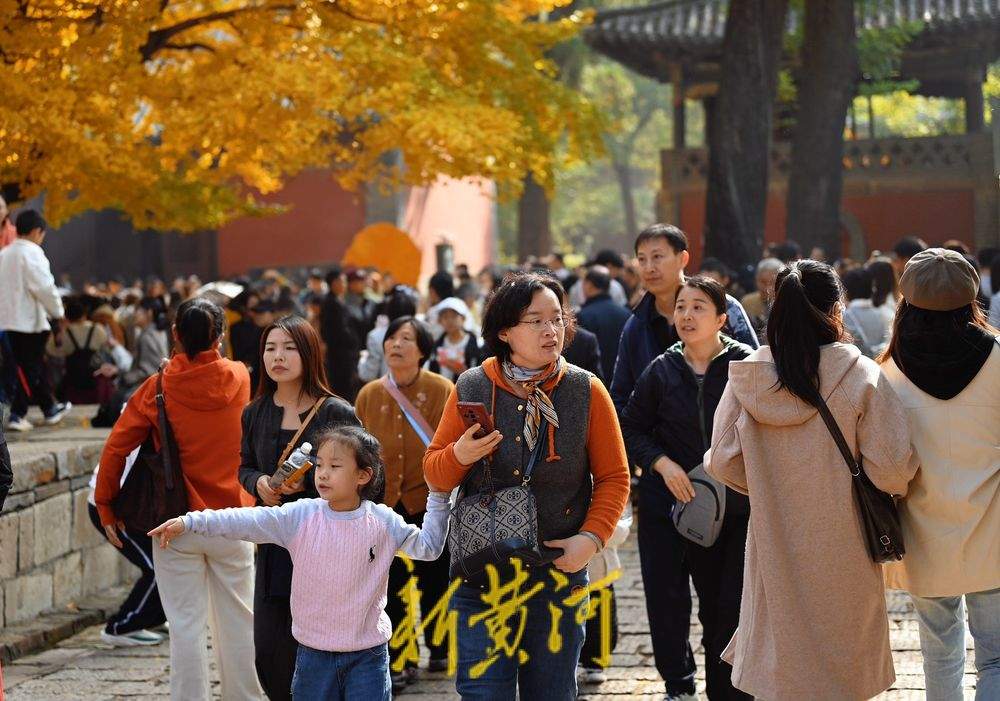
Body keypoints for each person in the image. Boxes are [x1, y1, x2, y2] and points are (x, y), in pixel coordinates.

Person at [705, 260, 918, 700]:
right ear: (835, 308)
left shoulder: (749, 377)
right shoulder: (859, 375)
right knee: (844, 672)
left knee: (782, 669)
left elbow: (722, 461)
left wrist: (766, 485)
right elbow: (893, 469)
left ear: (775, 308)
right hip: (847, 546)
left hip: (773, 543)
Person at [423, 271, 631, 700]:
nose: (550, 330)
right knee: (483, 692)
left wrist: (590, 541)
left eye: (556, 318)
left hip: (557, 574)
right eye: (534, 320)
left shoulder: (585, 389)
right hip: (483, 574)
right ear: (504, 331)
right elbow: (435, 474)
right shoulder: (472, 386)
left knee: (552, 693)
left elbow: (614, 477)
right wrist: (460, 455)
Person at [149, 425, 450, 701]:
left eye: (334, 466)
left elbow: (428, 548)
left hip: (368, 656)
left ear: (363, 475)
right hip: (312, 656)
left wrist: (438, 496)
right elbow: (244, 520)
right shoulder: (301, 516)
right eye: (319, 465)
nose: (322, 474)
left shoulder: (382, 521)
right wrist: (189, 522)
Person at [95, 297, 262, 701]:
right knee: (239, 620)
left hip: (175, 520)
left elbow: (116, 447)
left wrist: (106, 506)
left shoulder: (159, 386)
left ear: (175, 335)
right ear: (220, 336)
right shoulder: (241, 377)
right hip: (234, 519)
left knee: (185, 624)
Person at [621, 276, 753, 701]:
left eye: (698, 307)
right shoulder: (661, 370)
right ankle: (680, 681)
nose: (686, 315)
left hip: (736, 510)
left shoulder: (746, 367)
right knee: (675, 602)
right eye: (681, 307)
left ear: (721, 319)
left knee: (727, 607)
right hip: (675, 506)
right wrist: (662, 463)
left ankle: (729, 690)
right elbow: (632, 428)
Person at [879, 249, 1000, 701]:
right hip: (992, 527)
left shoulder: (887, 370)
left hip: (922, 533)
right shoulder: (998, 358)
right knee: (996, 658)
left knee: (940, 655)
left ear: (906, 299)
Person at [237, 315, 360, 701]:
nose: (279, 356)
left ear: (308, 353)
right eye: (271, 348)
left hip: (326, 549)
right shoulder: (254, 412)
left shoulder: (335, 412)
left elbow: (367, 473)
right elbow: (244, 465)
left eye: (289, 347)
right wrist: (257, 483)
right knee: (271, 655)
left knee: (325, 653)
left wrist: (309, 483)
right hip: (274, 548)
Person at [354, 315, 454, 690]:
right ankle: (401, 658)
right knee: (390, 586)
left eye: (406, 339)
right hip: (384, 508)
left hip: (429, 504)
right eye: (392, 338)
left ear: (423, 350)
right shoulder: (368, 395)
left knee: (435, 582)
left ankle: (440, 646)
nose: (396, 344)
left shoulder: (443, 390)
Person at [611, 223, 758, 416]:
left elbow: (755, 374)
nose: (649, 268)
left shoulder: (723, 306)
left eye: (657, 257)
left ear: (683, 258)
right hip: (658, 443)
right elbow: (621, 395)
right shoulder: (636, 324)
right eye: (642, 259)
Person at [87, 446, 167, 646]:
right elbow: (115, 457)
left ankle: (152, 618)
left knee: (167, 563)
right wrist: (111, 508)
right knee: (156, 568)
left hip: (136, 507)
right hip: (116, 507)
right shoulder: (140, 416)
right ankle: (122, 626)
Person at [0, 210, 71, 432]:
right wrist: (58, 311)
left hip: (8, 320)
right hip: (29, 321)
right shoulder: (32, 253)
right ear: (36, 231)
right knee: (30, 367)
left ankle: (50, 408)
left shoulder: (4, 254)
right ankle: (18, 414)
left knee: (32, 366)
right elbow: (44, 287)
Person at [576, 267, 631, 382]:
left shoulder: (583, 315)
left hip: (594, 382)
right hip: (623, 380)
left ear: (589, 285)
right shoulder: (626, 314)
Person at [357, 286, 418, 383]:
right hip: (418, 393)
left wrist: (363, 359)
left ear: (388, 312)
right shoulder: (422, 334)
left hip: (386, 394)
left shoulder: (376, 336)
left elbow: (368, 375)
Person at [321, 266, 360, 400]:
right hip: (340, 356)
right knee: (344, 391)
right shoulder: (331, 303)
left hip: (344, 354)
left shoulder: (338, 301)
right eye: (342, 281)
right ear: (334, 283)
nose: (345, 284)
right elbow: (337, 331)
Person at [425, 297, 484, 382]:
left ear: (463, 319)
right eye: (445, 317)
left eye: (454, 316)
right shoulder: (437, 345)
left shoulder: (477, 344)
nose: (449, 321)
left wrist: (464, 372)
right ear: (440, 321)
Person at [841, 268, 891, 358]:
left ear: (846, 291)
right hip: (880, 367)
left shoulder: (844, 317)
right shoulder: (885, 313)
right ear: (872, 289)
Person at [739, 258, 784, 336]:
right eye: (763, 282)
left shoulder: (789, 304)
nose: (767, 288)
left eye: (772, 283)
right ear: (756, 279)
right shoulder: (747, 302)